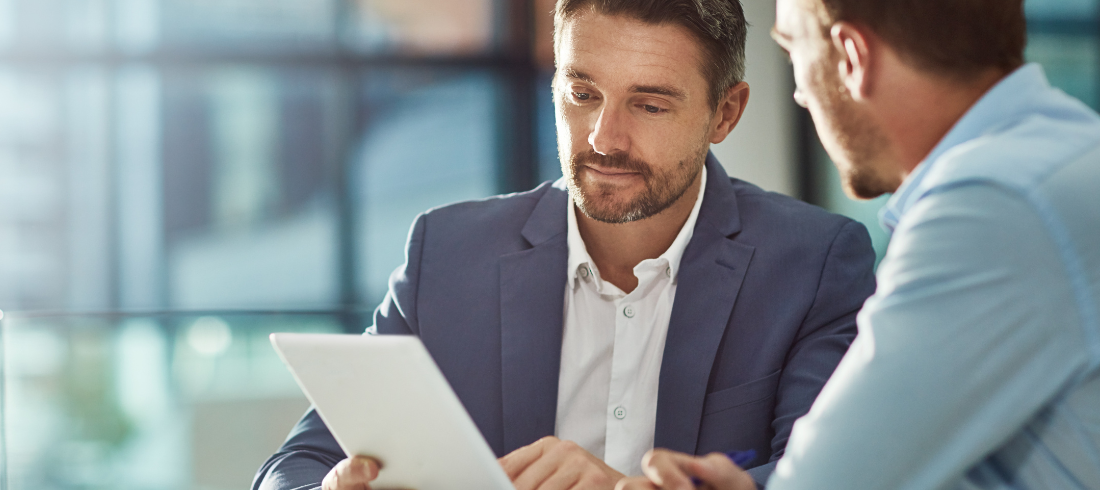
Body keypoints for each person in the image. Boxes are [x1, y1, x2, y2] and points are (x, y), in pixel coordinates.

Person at [253, 1, 877, 489]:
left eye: (650, 105)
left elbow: (831, 476)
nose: (604, 137)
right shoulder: (446, 254)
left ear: (725, 114)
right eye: (582, 95)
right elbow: (299, 461)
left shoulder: (816, 263)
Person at [617, 0, 1100, 489]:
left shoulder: (992, 206)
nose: (801, 94)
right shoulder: (1067, 154)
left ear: (852, 56)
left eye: (793, 53)